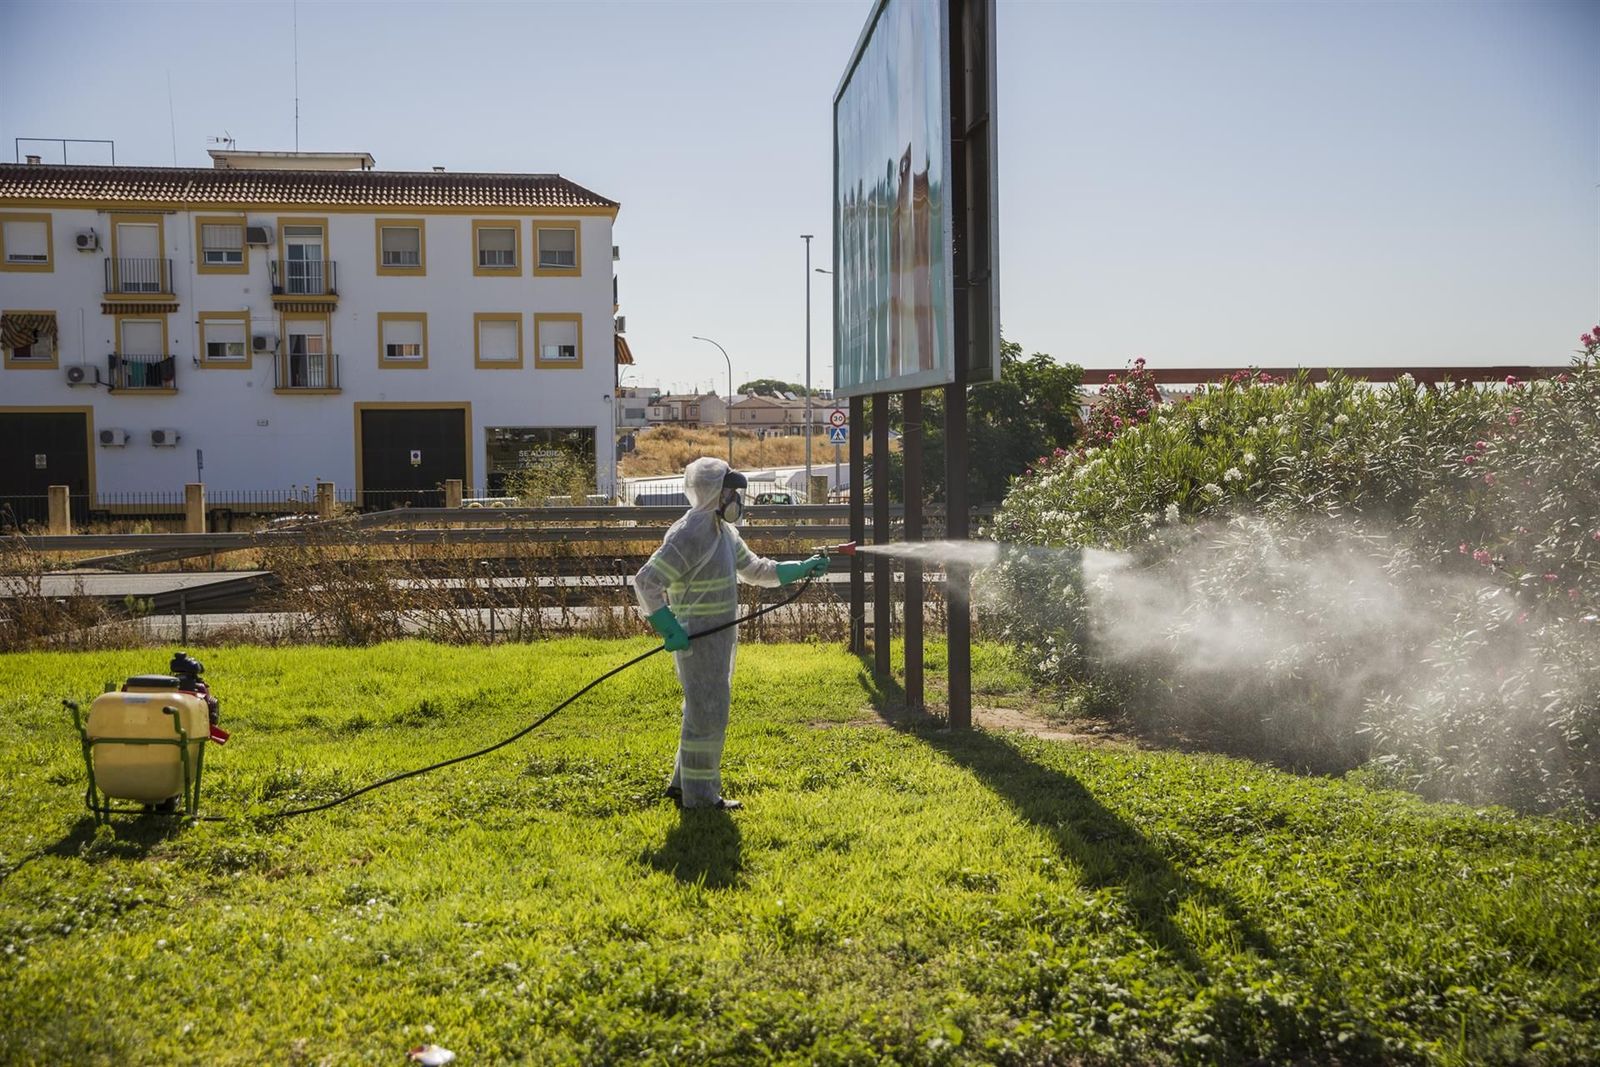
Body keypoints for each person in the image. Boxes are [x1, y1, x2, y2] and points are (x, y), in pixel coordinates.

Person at [634, 457, 829, 810]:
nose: (735, 500)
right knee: (708, 714)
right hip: (696, 639)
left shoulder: (722, 530)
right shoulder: (690, 533)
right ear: (713, 493)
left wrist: (800, 568)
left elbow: (754, 569)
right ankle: (701, 798)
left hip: (716, 638)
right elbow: (647, 581)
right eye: (730, 492)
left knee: (702, 711)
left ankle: (683, 784)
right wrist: (668, 627)